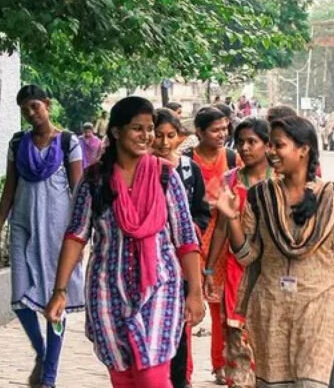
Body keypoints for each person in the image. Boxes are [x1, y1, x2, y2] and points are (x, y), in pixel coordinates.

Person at [44, 96, 205, 388]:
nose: (147, 136)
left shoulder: (165, 176)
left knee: (152, 375)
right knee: (123, 376)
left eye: (149, 129)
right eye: (137, 128)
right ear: (117, 132)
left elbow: (185, 238)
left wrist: (195, 292)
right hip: (108, 289)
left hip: (160, 287)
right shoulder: (95, 180)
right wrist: (60, 291)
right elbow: (76, 236)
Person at [215, 115, 334, 387]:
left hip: (322, 309)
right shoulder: (260, 196)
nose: (271, 153)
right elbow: (247, 256)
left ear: (304, 149)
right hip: (272, 312)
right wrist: (231, 218)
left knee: (316, 381)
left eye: (279, 146)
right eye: (271, 146)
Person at [0, 85, 84, 388]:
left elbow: (79, 191)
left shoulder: (67, 142)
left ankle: (49, 376)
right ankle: (42, 351)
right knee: (19, 299)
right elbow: (9, 191)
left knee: (54, 303)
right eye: (25, 109)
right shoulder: (18, 142)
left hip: (57, 233)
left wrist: (80, 236)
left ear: (47, 105)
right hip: (22, 226)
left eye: (35, 106)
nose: (30, 113)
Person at [204, 118, 271, 387]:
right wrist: (209, 270)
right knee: (236, 337)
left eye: (252, 142)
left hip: (272, 271)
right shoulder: (229, 181)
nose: (244, 148)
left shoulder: (281, 180)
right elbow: (221, 228)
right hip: (237, 271)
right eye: (240, 142)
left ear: (267, 145)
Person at [152, 108, 211, 388]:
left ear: (180, 138)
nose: (164, 142)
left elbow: (201, 211)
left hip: (182, 258)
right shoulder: (136, 169)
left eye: (170, 136)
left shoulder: (189, 169)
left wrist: (188, 232)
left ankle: (179, 378)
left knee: (179, 322)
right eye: (158, 135)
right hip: (150, 259)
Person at [189, 106, 241, 384]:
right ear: (199, 132)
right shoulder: (187, 161)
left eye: (224, 129)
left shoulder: (233, 159)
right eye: (215, 130)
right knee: (191, 306)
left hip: (222, 242)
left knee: (222, 309)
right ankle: (182, 370)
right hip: (194, 239)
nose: (222, 134)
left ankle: (221, 364)